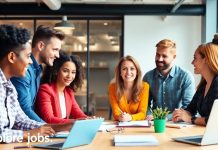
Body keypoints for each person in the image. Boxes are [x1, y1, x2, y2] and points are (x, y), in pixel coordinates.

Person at [0, 24, 71, 143]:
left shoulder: (8, 86)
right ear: (12, 57)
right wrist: (29, 134)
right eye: (28, 56)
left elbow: (21, 120)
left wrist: (64, 126)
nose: (29, 61)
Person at [11, 25, 65, 122]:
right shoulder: (24, 69)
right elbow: (24, 109)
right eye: (55, 49)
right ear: (41, 46)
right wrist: (46, 128)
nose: (57, 55)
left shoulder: (37, 69)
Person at [143, 39, 195, 120]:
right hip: (154, 122)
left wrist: (164, 117)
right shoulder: (148, 77)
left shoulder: (185, 76)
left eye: (164, 56)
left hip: (177, 123)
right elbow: (145, 104)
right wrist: (149, 116)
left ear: (174, 57)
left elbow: (188, 107)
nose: (159, 59)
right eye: (157, 55)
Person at [172, 36, 218, 126]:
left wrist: (190, 119)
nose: (192, 62)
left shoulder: (217, 83)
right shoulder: (203, 85)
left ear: (206, 59)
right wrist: (181, 114)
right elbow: (191, 109)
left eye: (195, 58)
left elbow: (214, 120)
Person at [36, 52, 88, 123]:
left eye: (73, 72)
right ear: (56, 71)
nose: (69, 76)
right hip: (49, 132)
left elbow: (78, 113)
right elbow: (49, 119)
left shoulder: (68, 91)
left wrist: (89, 119)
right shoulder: (45, 89)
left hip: (62, 131)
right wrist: (74, 122)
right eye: (65, 71)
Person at [108, 55, 149, 122]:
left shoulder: (144, 87)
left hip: (138, 126)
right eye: (124, 69)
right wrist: (120, 117)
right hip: (120, 125)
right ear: (120, 73)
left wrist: (130, 117)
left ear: (137, 72)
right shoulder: (112, 87)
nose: (128, 72)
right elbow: (116, 112)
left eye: (132, 68)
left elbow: (143, 113)